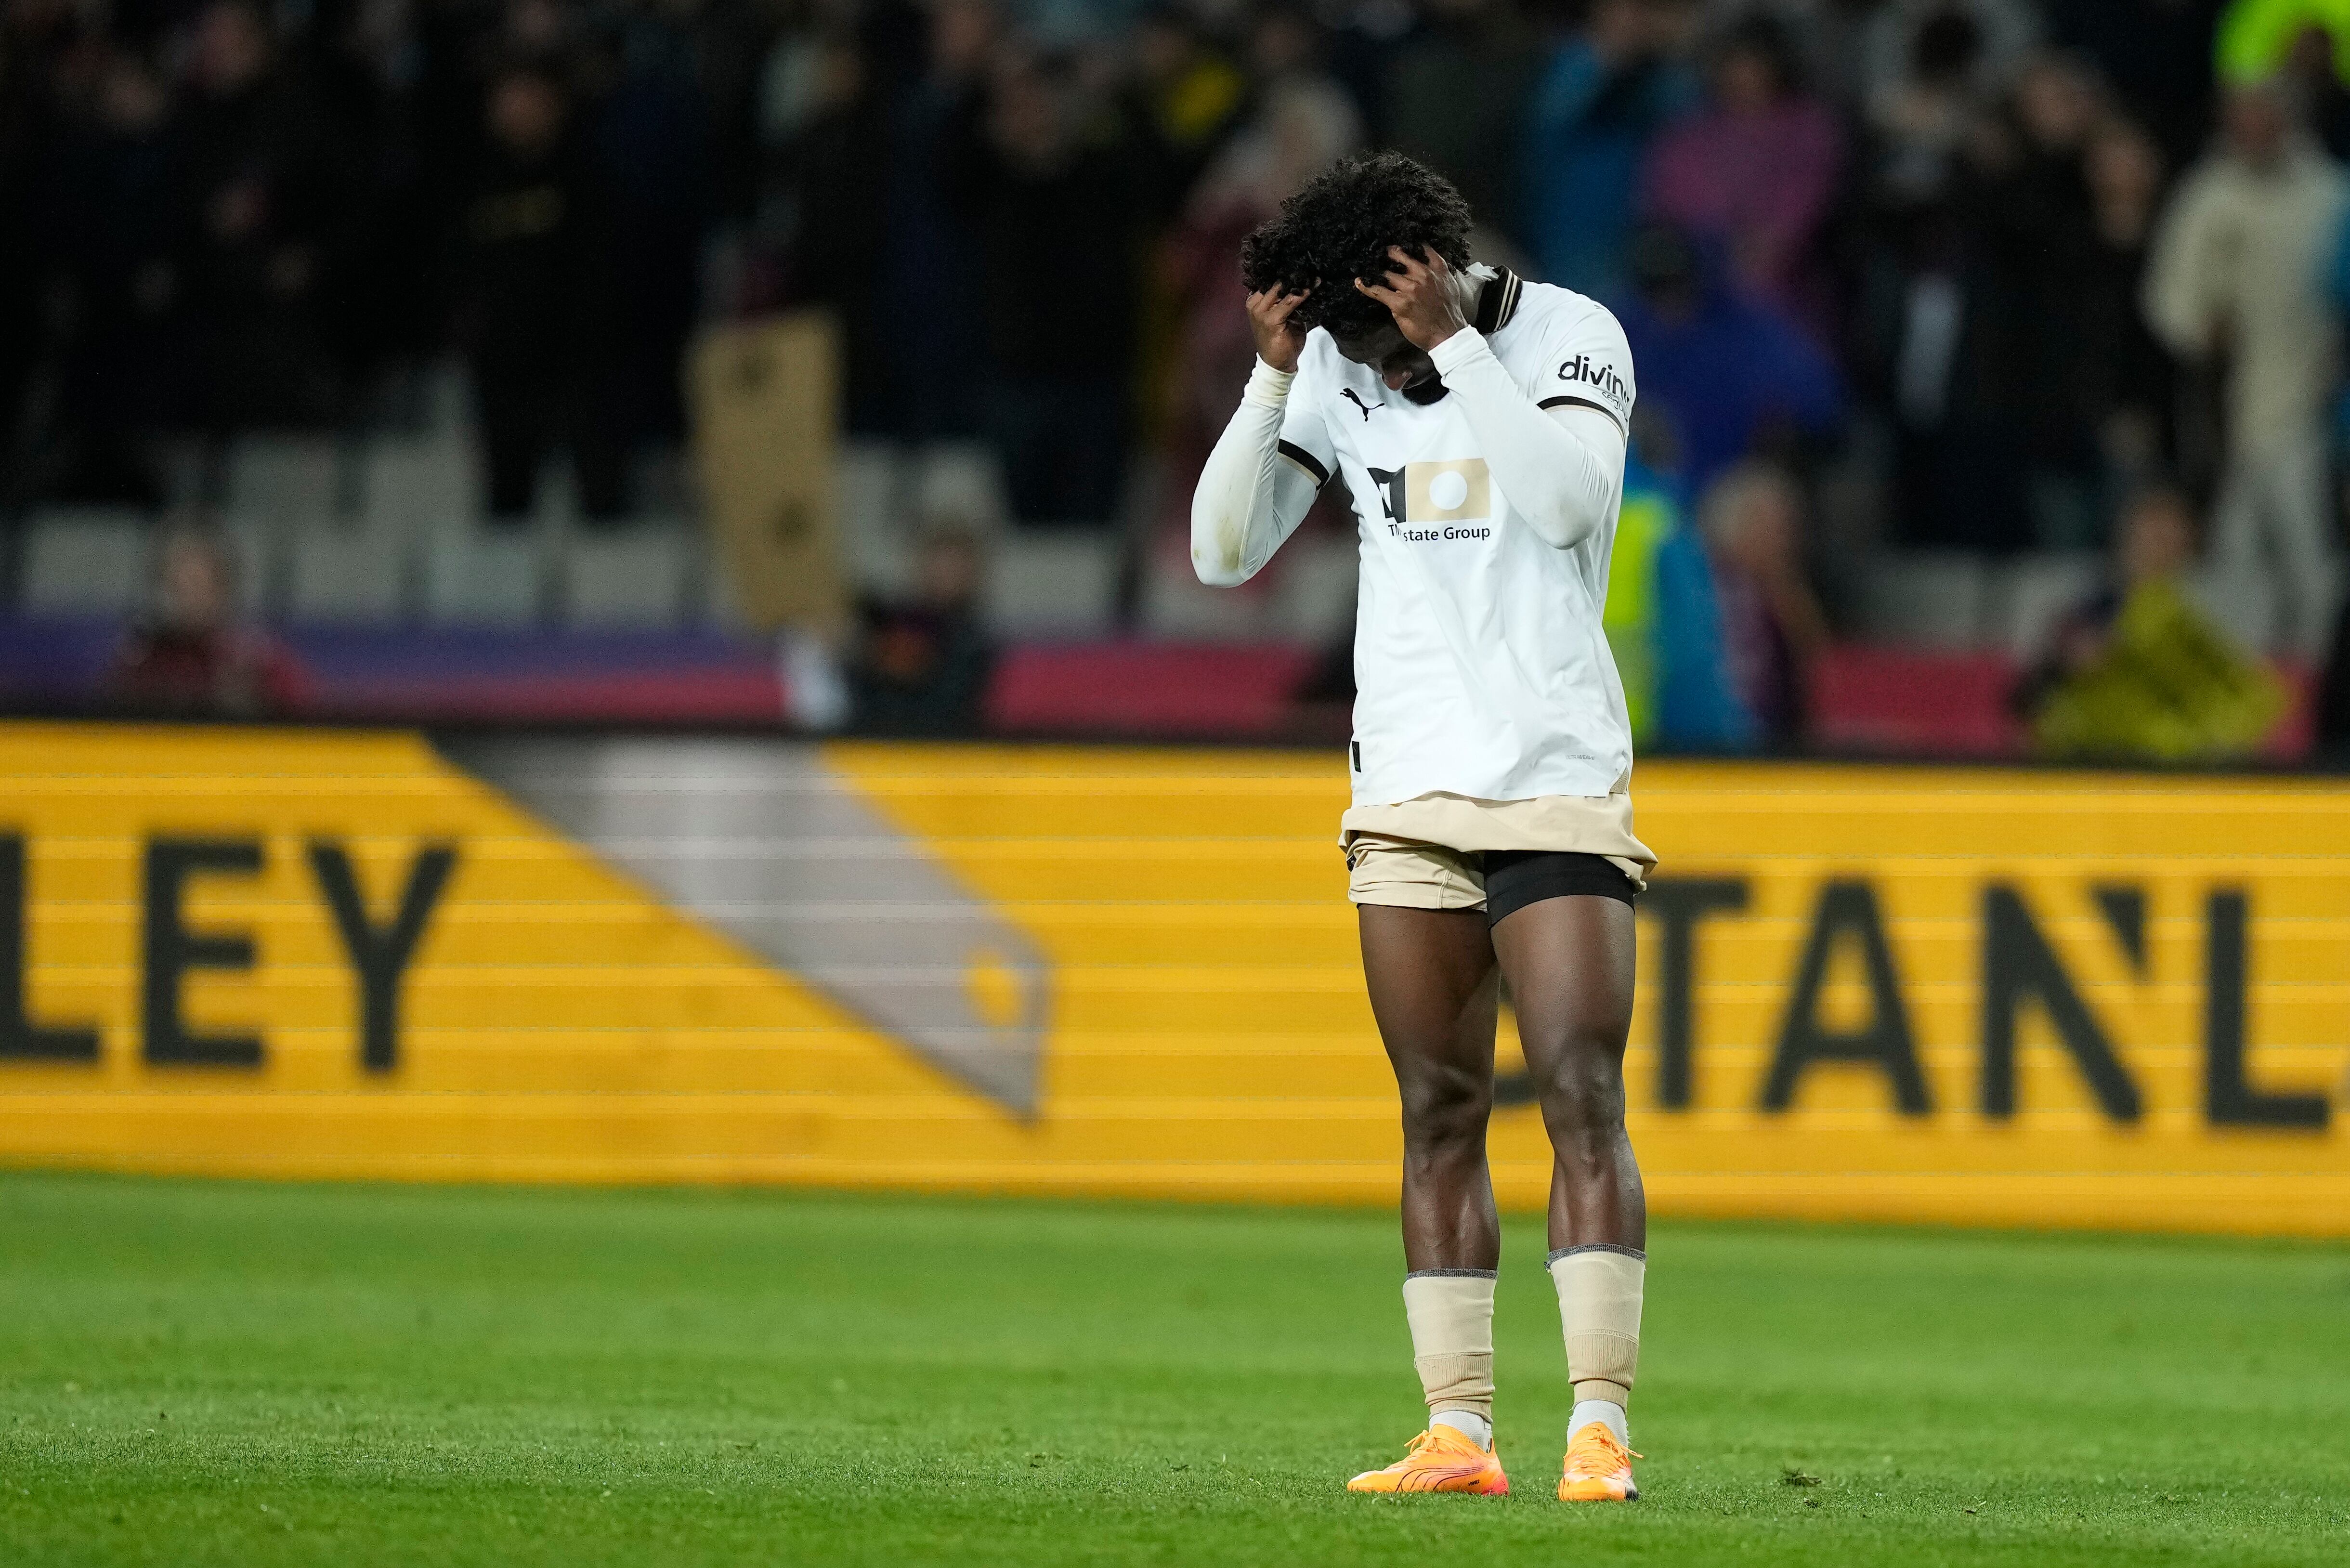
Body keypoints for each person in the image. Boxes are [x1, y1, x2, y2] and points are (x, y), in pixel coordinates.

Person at [1192, 152, 1653, 1504]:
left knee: (1579, 1087)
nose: (1381, 375)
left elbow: (1570, 506)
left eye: (1391, 342)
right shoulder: (1339, 364)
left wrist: (1456, 347)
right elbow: (1225, 552)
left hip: (1556, 772)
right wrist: (1278, 373)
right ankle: (1459, 1433)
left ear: (1438, 284)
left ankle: (1600, 1428)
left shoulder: (1570, 335)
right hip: (1405, 785)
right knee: (1438, 1109)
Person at [2143, 77, 2348, 656]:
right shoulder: (2208, 193)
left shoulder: (2328, 193)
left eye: (2263, 115)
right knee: (2230, 551)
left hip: (2307, 399)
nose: (2250, 128)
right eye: (2241, 117)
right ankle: (2230, 673)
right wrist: (2201, 328)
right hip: (2222, 403)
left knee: (2308, 545)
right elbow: (2169, 298)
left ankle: (2317, 671)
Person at [2015, 483, 2287, 759]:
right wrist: (2066, 663)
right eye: (2143, 529)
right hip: (2095, 759)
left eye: (2164, 533)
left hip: (2184, 764)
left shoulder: (2210, 614)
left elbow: (2249, 703)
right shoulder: (2086, 607)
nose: (2150, 543)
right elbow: (2028, 700)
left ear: (2188, 541)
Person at [105, 528, 310, 716]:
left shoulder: (259, 661)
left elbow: (308, 725)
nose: (186, 597)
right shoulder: (142, 661)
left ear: (224, 588)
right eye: (175, 584)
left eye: (197, 583)